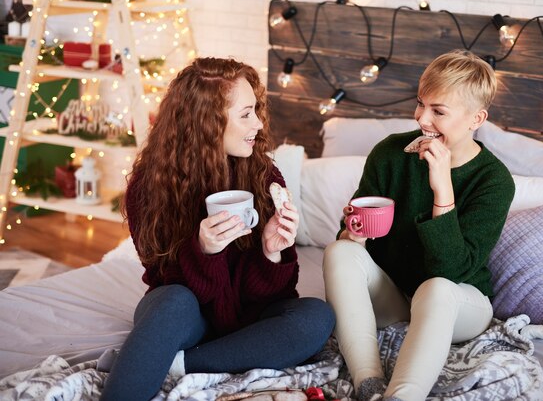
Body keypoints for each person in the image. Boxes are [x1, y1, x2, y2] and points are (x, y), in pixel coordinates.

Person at [100, 57, 335, 401]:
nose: (257, 124)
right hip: (188, 313)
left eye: (256, 110)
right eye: (245, 114)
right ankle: (157, 364)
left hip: (251, 316)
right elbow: (162, 277)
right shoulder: (150, 187)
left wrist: (272, 253)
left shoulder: (265, 176)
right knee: (171, 303)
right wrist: (204, 251)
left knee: (316, 317)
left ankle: (173, 362)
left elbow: (277, 294)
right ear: (207, 122)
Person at [323, 49, 515, 401]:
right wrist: (354, 234)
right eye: (421, 104)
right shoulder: (391, 153)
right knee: (338, 252)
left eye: (438, 111)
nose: (422, 119)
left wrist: (442, 188)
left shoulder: (494, 180)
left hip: (460, 304)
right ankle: (369, 382)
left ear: (476, 118)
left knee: (435, 289)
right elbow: (352, 241)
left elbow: (450, 270)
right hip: (396, 297)